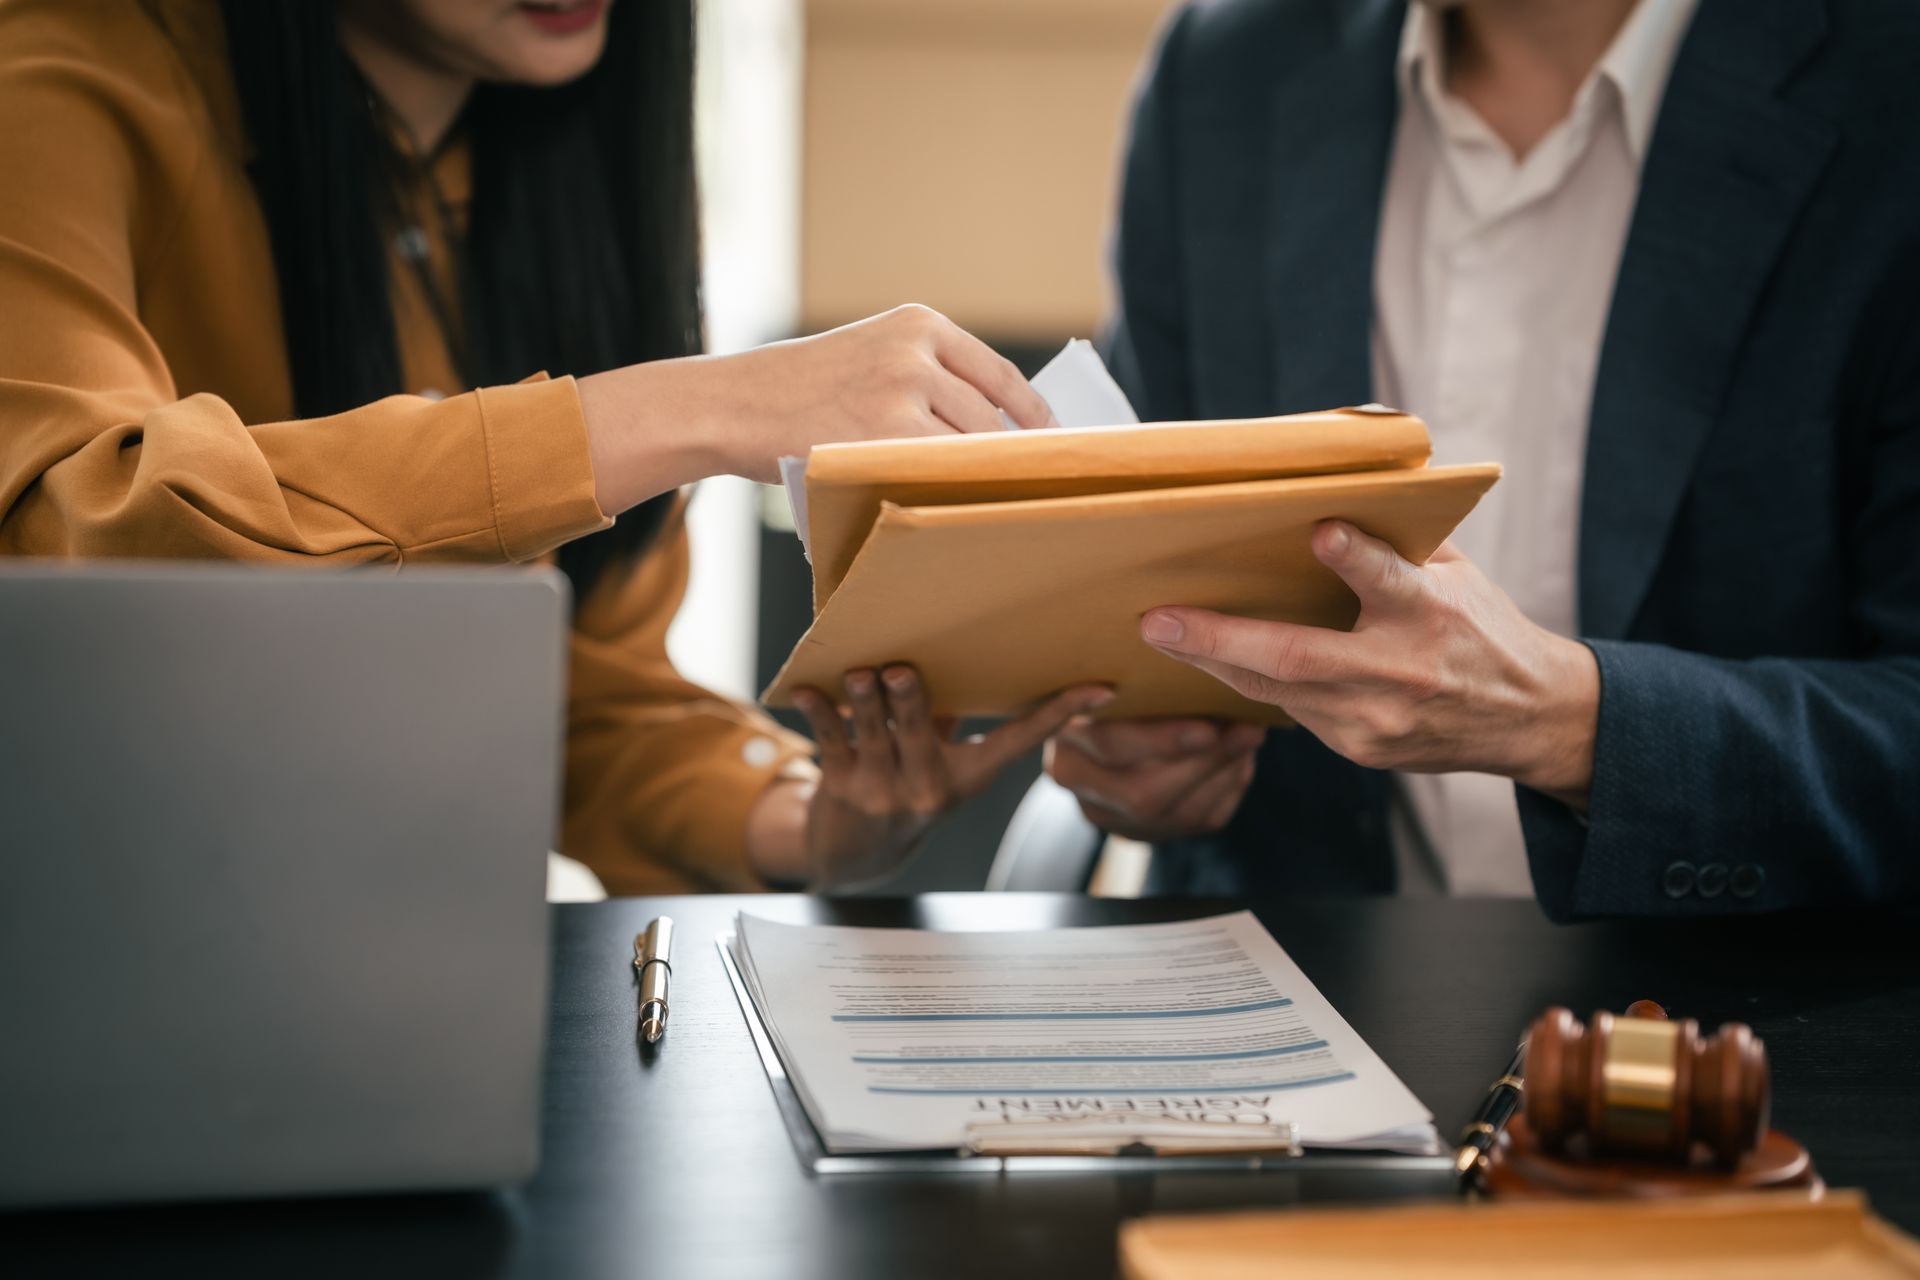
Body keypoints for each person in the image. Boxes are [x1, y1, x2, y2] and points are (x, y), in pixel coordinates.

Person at [0, 0, 1110, 895]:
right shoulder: (57, 74)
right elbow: (69, 527)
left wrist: (826, 825)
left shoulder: (556, 159)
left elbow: (591, 706)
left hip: (361, 989)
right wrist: (694, 409)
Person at [1047, 0, 1920, 918]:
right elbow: (1142, 548)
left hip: (1759, 1002)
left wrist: (1570, 723)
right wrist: (1132, 752)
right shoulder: (1227, 66)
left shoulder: (1888, 88)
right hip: (1296, 969)